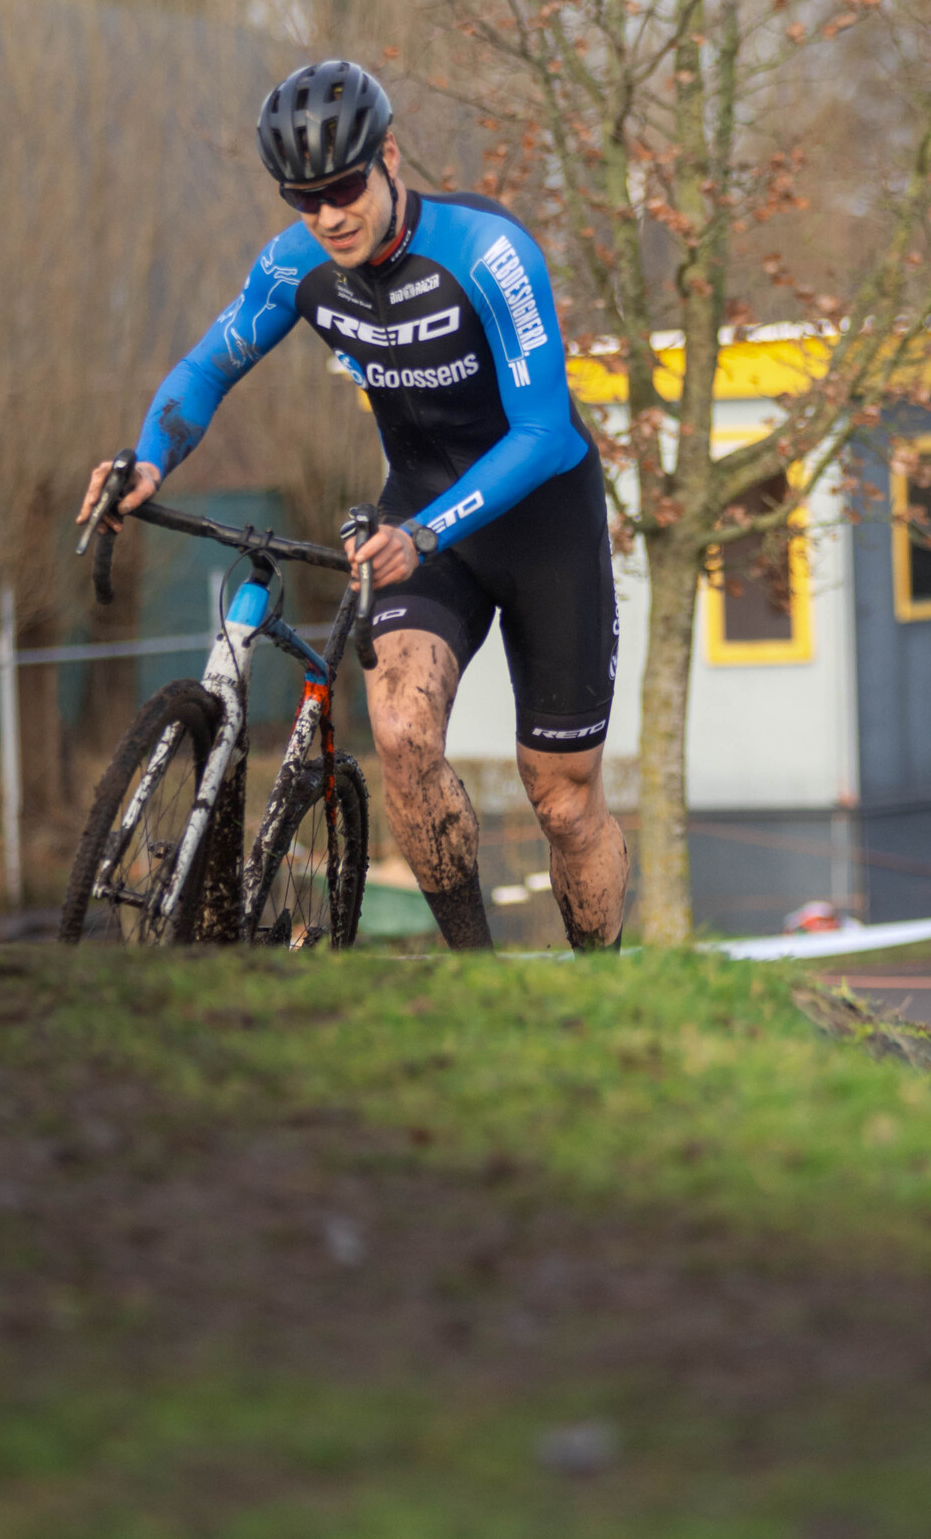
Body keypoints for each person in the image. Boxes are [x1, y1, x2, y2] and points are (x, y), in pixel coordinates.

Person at [78, 59, 627, 953]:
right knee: (403, 735)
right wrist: (148, 460)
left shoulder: (488, 254)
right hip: (418, 518)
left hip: (539, 524)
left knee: (563, 801)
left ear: (390, 158)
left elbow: (545, 431)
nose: (329, 215)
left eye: (342, 187)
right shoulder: (297, 267)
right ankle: (480, 982)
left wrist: (428, 530)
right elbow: (209, 366)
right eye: (305, 199)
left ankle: (606, 990)